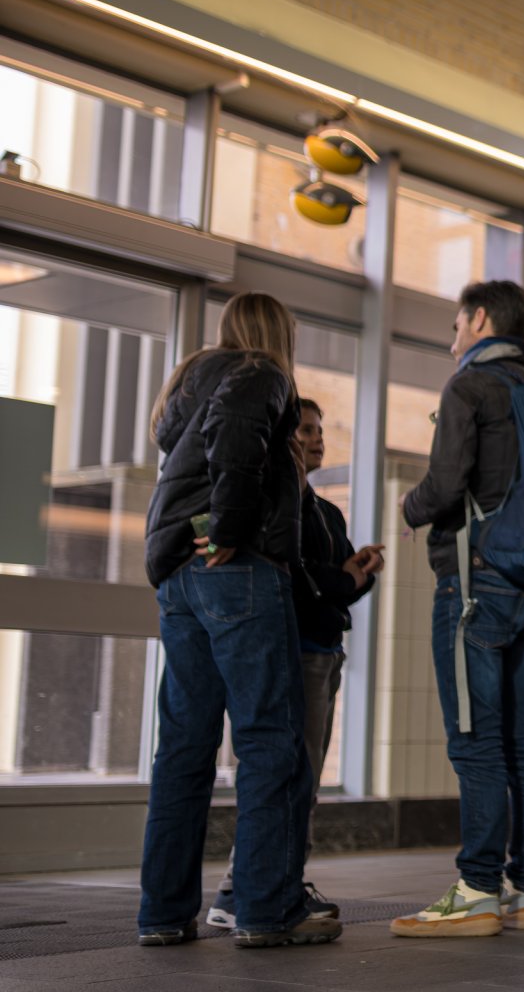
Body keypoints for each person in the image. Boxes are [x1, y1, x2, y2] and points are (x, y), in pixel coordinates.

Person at [138, 292, 342, 949]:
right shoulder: (261, 372)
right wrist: (227, 528)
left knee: (184, 748)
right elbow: (235, 438)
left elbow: (204, 449)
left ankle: (163, 914)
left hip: (178, 575)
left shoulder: (191, 381)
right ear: (278, 333)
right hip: (238, 570)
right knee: (269, 741)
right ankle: (265, 908)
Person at [391, 280, 524, 937]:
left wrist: (408, 508)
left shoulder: (469, 388)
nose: (453, 336)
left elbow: (445, 484)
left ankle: (479, 889)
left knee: (476, 739)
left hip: (472, 587)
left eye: (457, 323)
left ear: (480, 319)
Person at [208, 398, 383, 929]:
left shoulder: (326, 512)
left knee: (301, 776)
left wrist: (357, 574)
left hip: (324, 652)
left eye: (319, 431)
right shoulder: (280, 505)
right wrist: (345, 578)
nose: (315, 439)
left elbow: (338, 582)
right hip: (297, 650)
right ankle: (250, 886)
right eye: (306, 430)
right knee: (290, 776)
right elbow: (303, 581)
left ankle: (265, 882)